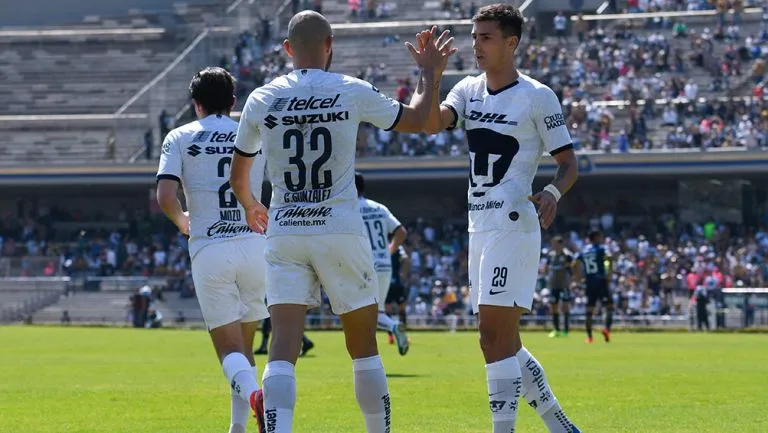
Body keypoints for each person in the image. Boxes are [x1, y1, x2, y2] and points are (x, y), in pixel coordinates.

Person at [229, 11, 455, 433]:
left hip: (286, 229)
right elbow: (420, 119)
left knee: (282, 346)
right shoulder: (350, 89)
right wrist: (428, 72)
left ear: (288, 49)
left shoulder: (261, 97)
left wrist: (249, 204)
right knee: (363, 347)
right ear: (331, 44)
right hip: (340, 228)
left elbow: (238, 174)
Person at [421, 5, 581, 433]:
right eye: (475, 37)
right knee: (505, 341)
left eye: (486, 37)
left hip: (513, 225)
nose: (477, 45)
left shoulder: (537, 96)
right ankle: (562, 427)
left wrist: (552, 192)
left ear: (512, 43)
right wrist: (432, 74)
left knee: (491, 337)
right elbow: (432, 123)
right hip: (479, 226)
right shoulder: (467, 89)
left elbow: (569, 164)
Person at [156, 67, 268, 433]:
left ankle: (255, 397)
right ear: (233, 102)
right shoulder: (253, 133)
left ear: (196, 103)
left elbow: (166, 196)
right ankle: (238, 426)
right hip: (255, 246)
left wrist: (181, 220)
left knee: (229, 352)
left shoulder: (179, 136)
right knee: (246, 348)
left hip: (211, 248)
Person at [355, 171, 410, 355]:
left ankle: (368, 347)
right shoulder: (379, 207)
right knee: (376, 312)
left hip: (363, 265)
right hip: (384, 265)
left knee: (359, 310)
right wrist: (389, 250)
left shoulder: (350, 209)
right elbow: (401, 232)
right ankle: (392, 327)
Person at [572, 229, 613, 344]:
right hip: (600, 280)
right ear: (596, 237)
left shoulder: (583, 250)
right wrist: (609, 274)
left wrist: (578, 278)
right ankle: (607, 329)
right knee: (609, 306)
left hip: (589, 282)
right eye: (600, 236)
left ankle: (589, 337)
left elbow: (574, 264)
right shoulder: (601, 249)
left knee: (589, 310)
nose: (601, 239)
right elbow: (609, 257)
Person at [544, 236, 573, 337]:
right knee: (553, 307)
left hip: (564, 285)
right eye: (553, 244)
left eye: (555, 244)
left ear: (561, 244)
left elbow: (571, 269)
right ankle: (556, 330)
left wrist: (572, 281)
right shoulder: (550, 255)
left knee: (565, 306)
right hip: (554, 285)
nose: (553, 246)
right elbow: (546, 268)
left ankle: (566, 330)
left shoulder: (567, 255)